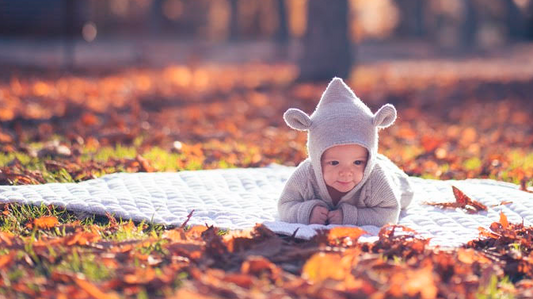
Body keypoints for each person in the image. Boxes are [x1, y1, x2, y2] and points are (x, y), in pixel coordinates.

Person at [278, 77, 413, 226]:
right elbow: (285, 204)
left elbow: (389, 213)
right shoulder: (306, 175)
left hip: (393, 179)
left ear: (368, 158)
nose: (346, 172)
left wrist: (351, 217)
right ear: (316, 159)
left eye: (357, 162)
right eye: (334, 163)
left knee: (405, 195)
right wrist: (306, 212)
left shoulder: (377, 180)